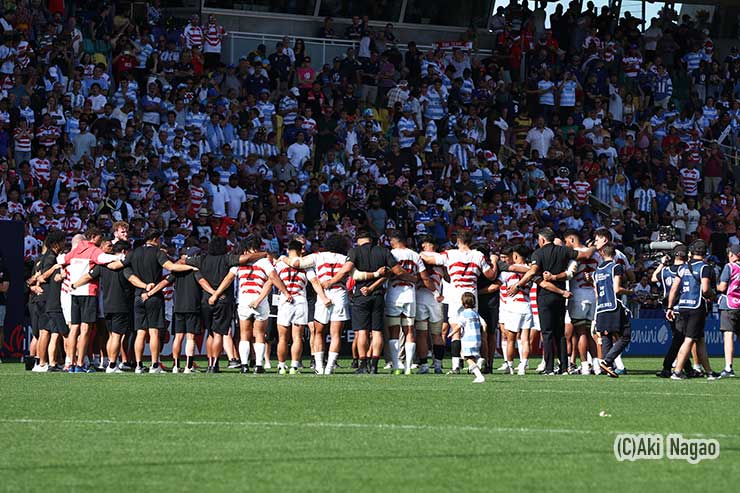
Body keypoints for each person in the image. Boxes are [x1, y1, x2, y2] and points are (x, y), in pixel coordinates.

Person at [511, 227, 594, 375]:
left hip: (545, 296)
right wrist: (594, 246)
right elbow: (585, 254)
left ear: (542, 239)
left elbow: (532, 272)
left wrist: (518, 285)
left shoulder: (538, 253)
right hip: (560, 296)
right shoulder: (563, 251)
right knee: (560, 333)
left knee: (547, 333)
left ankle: (548, 367)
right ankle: (563, 367)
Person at [209, 235, 293, 374]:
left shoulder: (239, 262)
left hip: (244, 300)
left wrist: (216, 294)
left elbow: (228, 279)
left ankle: (244, 365)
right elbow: (273, 278)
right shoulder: (264, 262)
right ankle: (259, 365)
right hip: (260, 298)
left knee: (244, 334)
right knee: (259, 334)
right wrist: (285, 292)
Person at [119, 229, 197, 374]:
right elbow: (171, 267)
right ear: (155, 239)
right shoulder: (158, 252)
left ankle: (138, 365)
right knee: (154, 332)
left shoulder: (133, 253)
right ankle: (154, 365)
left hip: (138, 295)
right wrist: (191, 266)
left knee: (140, 332)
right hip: (153, 295)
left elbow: (123, 267)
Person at [186, 237, 267, 372]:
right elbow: (246, 259)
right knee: (218, 334)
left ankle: (210, 363)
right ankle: (215, 364)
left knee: (210, 333)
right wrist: (264, 254)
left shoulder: (202, 259)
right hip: (222, 299)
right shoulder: (227, 258)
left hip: (206, 299)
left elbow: (184, 261)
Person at [422, 230, 498, 374]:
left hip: (456, 294)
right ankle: (476, 361)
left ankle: (456, 365)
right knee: (473, 329)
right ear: (471, 241)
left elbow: (429, 260)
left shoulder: (450, 254)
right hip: (471, 295)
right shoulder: (478, 255)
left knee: (455, 330)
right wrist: (493, 260)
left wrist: (419, 253)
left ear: (458, 240)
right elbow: (491, 275)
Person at [280, 234, 350, 375]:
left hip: (323, 294)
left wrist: (283, 258)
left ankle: (319, 367)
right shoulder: (346, 259)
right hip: (339, 293)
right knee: (335, 334)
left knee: (318, 332)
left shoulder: (318, 256)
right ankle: (329, 367)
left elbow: (296, 263)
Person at [63, 227, 124, 372]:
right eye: (99, 237)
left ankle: (70, 363)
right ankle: (79, 364)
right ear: (94, 237)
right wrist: (120, 257)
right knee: (85, 329)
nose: (100, 240)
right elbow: (104, 258)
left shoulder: (76, 250)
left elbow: (63, 259)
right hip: (88, 292)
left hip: (74, 292)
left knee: (74, 328)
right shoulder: (93, 250)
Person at [72, 241, 134, 373]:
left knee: (111, 336)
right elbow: (132, 279)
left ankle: (109, 363)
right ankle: (112, 365)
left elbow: (88, 276)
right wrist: (146, 287)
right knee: (117, 336)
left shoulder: (102, 266)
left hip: (106, 305)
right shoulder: (125, 266)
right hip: (121, 304)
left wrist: (74, 285)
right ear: (124, 252)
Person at [666, 240, 720, 380]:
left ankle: (709, 372)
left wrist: (670, 307)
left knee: (700, 339)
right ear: (705, 253)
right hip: (696, 307)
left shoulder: (683, 268)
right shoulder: (705, 268)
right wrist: (715, 298)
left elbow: (674, 288)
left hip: (682, 306)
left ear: (691, 252)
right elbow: (706, 289)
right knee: (689, 339)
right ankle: (677, 371)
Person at [274, 240, 330, 374]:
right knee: (297, 337)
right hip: (299, 300)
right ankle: (294, 366)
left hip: (284, 300)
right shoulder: (306, 265)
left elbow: (272, 280)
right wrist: (323, 297)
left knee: (282, 337)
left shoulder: (280, 264)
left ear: (288, 250)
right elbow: (315, 282)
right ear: (301, 251)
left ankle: (281, 366)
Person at [385, 232, 435, 374]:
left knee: (394, 330)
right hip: (410, 295)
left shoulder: (390, 254)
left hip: (394, 294)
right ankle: (408, 366)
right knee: (409, 330)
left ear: (393, 241)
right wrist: (436, 292)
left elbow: (387, 274)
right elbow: (425, 277)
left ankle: (396, 365)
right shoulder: (415, 255)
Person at [593, 244, 633, 378]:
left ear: (602, 254)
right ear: (614, 254)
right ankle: (608, 360)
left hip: (601, 307)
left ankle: (607, 367)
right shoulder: (616, 267)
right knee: (626, 335)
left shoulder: (596, 271)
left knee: (606, 335)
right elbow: (616, 289)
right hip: (613, 305)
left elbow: (597, 294)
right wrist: (630, 292)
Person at [652, 245, 688, 378]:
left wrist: (662, 263)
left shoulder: (666, 270)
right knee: (680, 339)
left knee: (679, 338)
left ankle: (686, 367)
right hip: (683, 307)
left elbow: (654, 278)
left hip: (668, 308)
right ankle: (668, 367)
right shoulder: (686, 269)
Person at [715, 244, 740, 378]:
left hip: (730, 305)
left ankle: (728, 367)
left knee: (728, 335)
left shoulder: (729, 267)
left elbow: (722, 287)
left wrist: (716, 286)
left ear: (731, 254)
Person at [458, 292, 486, 384]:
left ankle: (479, 376)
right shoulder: (475, 313)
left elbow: (459, 326)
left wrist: (452, 333)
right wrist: (484, 332)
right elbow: (484, 324)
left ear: (463, 302)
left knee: (468, 358)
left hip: (467, 340)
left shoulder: (463, 314)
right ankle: (479, 361)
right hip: (477, 339)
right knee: (472, 357)